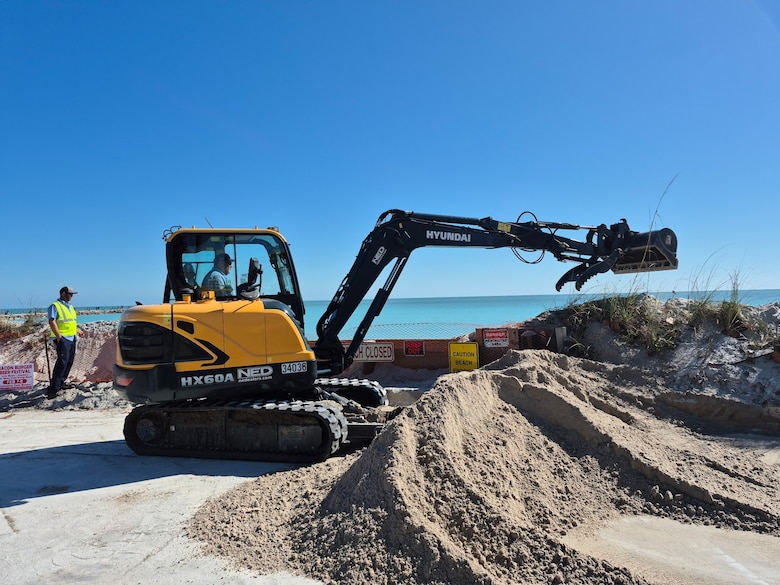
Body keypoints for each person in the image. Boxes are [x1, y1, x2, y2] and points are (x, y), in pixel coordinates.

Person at [46, 286, 83, 399]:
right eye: (69, 293)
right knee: (62, 362)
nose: (71, 296)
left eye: (72, 294)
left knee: (69, 361)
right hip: (62, 338)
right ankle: (54, 388)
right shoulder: (55, 306)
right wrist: (58, 336)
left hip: (71, 337)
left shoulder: (70, 307)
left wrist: (77, 330)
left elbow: (70, 321)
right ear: (63, 293)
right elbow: (52, 320)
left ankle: (61, 383)